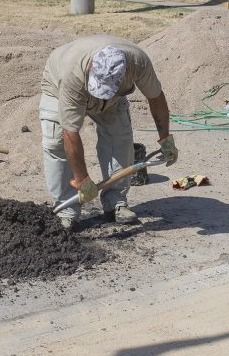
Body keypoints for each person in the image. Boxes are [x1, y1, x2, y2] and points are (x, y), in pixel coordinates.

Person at [39, 34, 177, 229]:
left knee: (120, 137)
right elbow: (70, 133)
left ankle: (115, 201)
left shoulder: (138, 62)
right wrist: (82, 179)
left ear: (125, 72)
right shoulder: (72, 76)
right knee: (56, 142)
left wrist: (166, 139)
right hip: (59, 87)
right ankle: (66, 209)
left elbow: (156, 98)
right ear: (90, 67)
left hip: (114, 97)